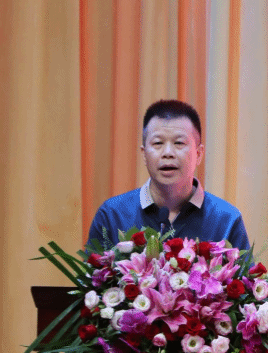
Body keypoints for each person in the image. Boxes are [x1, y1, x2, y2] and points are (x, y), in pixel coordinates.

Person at [88, 99, 250, 250]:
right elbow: (93, 271)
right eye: (158, 143)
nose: (168, 153)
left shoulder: (226, 220)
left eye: (179, 143)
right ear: (144, 154)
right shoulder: (112, 215)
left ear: (199, 154)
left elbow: (244, 272)